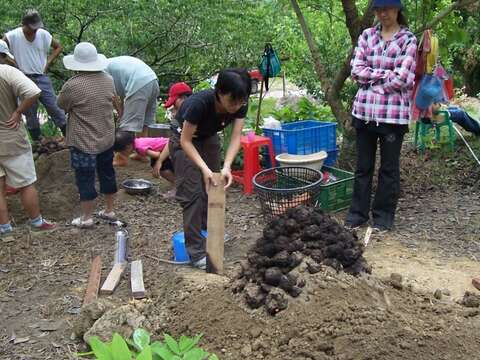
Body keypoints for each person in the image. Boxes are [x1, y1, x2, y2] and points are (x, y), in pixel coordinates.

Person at [345, 0, 417, 232]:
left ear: (398, 10)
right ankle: (357, 215)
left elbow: (404, 78)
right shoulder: (367, 36)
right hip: (364, 112)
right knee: (362, 167)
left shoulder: (408, 40)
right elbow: (356, 70)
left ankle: (383, 218)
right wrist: (385, 76)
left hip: (393, 117)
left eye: (387, 8)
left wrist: (373, 81)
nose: (383, 13)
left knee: (389, 169)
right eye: (379, 9)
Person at [169, 68, 251, 269]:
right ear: (220, 92)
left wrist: (227, 166)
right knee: (192, 194)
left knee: (214, 187)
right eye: (233, 101)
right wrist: (205, 169)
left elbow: (236, 137)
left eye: (242, 101)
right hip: (184, 141)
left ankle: (209, 233)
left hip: (209, 137)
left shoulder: (240, 103)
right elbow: (185, 141)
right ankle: (196, 251)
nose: (237, 106)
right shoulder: (199, 104)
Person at [57, 42, 117, 228]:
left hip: (83, 142)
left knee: (85, 177)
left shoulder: (72, 85)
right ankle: (109, 210)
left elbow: (62, 106)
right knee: (107, 173)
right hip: (106, 137)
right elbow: (113, 100)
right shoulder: (109, 80)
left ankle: (87, 217)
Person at [0, 46, 56, 234]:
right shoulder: (7, 71)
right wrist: (17, 112)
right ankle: (37, 222)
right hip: (11, 137)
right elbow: (33, 91)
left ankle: (5, 228)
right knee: (26, 183)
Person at [3, 9, 66, 141]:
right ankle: (38, 142)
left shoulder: (43, 34)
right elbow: (1, 48)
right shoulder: (12, 36)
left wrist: (48, 61)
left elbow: (58, 47)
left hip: (41, 76)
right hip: (23, 77)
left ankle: (69, 136)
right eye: (32, 28)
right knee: (30, 112)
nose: (35, 30)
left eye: (36, 27)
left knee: (54, 107)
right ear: (24, 24)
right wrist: (12, 63)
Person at [104, 56, 159, 165]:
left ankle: (121, 158)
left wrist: (121, 113)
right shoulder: (110, 64)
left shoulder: (101, 71)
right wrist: (121, 111)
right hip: (152, 80)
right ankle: (141, 153)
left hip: (138, 82)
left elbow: (112, 96)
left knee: (128, 125)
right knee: (144, 124)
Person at [114, 131, 176, 198]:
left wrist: (156, 166)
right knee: (155, 164)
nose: (122, 154)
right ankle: (176, 182)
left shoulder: (139, 148)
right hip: (165, 146)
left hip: (169, 148)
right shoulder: (136, 142)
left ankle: (177, 187)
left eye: (121, 152)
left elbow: (157, 154)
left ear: (128, 146)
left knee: (162, 169)